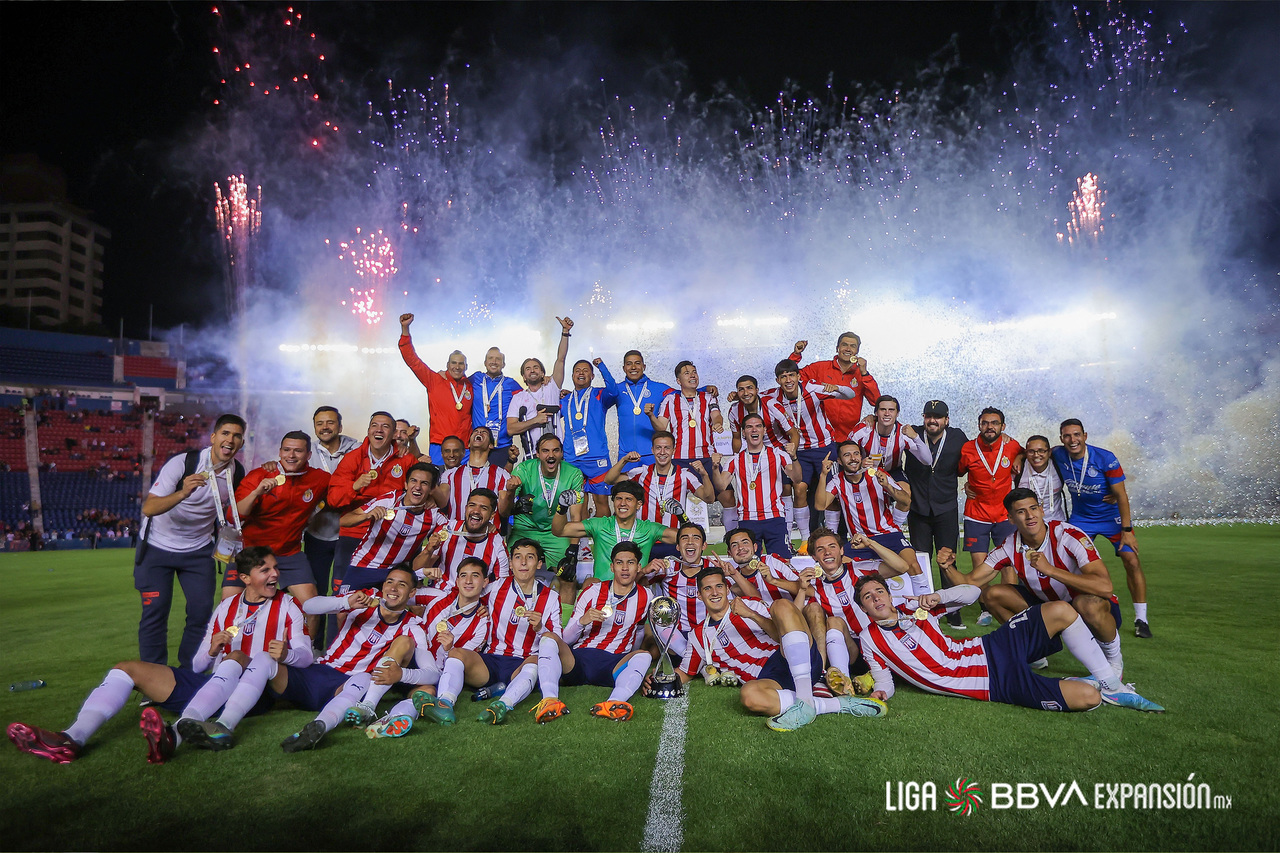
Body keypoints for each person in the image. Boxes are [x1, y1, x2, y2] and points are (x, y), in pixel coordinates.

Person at [8, 548, 309, 764]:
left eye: (275, 568)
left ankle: (175, 735)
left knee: (239, 656)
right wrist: (211, 650)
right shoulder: (226, 608)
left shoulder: (288, 605)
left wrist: (287, 654)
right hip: (212, 686)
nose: (275, 574)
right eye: (265, 570)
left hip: (252, 694)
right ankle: (72, 738)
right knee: (127, 669)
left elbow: (307, 656)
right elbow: (198, 666)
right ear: (245, 577)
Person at [853, 575, 1164, 713]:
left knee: (1060, 610)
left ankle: (1111, 683)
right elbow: (883, 678)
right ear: (864, 608)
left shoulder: (915, 606)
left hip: (990, 647)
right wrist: (882, 692)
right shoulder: (870, 638)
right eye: (868, 597)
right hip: (993, 683)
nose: (876, 598)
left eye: (879, 591)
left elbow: (973, 594)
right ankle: (1091, 684)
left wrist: (938, 596)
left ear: (888, 594)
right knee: (1088, 699)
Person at [662, 566, 887, 731]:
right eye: (707, 589)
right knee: (749, 696)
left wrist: (752, 615)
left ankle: (807, 698)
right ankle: (829, 704)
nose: (714, 592)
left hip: (789, 656)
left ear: (727, 588)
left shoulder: (749, 604)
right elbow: (686, 672)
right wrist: (658, 681)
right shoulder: (698, 635)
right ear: (700, 594)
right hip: (768, 679)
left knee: (782, 605)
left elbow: (780, 634)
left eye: (719, 586)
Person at [958, 488, 1126, 677]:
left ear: (1041, 509)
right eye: (1021, 512)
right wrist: (948, 567)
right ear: (1011, 519)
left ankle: (1114, 660)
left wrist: (1050, 570)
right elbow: (970, 582)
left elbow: (1105, 588)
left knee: (1086, 604)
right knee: (993, 594)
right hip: (1049, 609)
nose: (1030, 516)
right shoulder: (1010, 545)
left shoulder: (1069, 535)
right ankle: (1034, 651)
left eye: (1033, 508)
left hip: (1088, 608)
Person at [135, 413, 247, 668]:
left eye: (237, 436)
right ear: (213, 437)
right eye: (225, 433)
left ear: (241, 443)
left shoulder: (238, 472)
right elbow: (149, 508)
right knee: (155, 612)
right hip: (157, 546)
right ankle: (155, 676)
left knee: (201, 613)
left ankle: (190, 673)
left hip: (198, 550)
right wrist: (183, 492)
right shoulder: (183, 463)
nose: (230, 440)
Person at [276, 566, 427, 751]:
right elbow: (309, 606)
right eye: (390, 582)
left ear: (412, 592)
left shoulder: (413, 626)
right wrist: (346, 602)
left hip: (349, 686)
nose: (393, 588)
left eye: (401, 584)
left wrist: (402, 674)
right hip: (321, 671)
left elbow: (431, 672)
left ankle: (318, 726)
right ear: (383, 585)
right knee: (266, 663)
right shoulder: (363, 599)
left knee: (363, 678)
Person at [415, 539, 563, 725]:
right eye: (518, 557)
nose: (523, 563)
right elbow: (466, 594)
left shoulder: (551, 598)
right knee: (457, 653)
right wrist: (480, 607)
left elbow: (557, 641)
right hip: (490, 660)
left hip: (523, 663)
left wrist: (540, 628)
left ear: (539, 564)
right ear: (511, 563)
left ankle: (502, 705)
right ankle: (444, 703)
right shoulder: (495, 587)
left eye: (530, 557)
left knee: (534, 662)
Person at [513, 542, 655, 723]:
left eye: (631, 562)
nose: (625, 568)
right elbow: (565, 639)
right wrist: (582, 621)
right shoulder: (592, 592)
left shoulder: (646, 597)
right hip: (579, 659)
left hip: (613, 662)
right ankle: (550, 700)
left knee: (644, 655)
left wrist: (633, 666)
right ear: (612, 567)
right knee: (549, 638)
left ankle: (614, 703)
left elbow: (640, 632)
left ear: (639, 567)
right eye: (619, 563)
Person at [360, 556, 491, 737]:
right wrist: (421, 573)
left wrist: (448, 650)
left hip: (431, 674)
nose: (468, 581)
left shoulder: (482, 623)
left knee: (427, 693)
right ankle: (368, 706)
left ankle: (393, 720)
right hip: (408, 657)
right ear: (457, 579)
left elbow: (456, 667)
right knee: (403, 641)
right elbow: (400, 593)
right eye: (463, 575)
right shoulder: (438, 596)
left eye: (475, 576)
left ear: (485, 582)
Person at [223, 433, 330, 649]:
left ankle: (305, 654)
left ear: (308, 455)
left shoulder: (319, 479)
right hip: (250, 552)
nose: (291, 455)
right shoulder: (259, 476)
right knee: (228, 608)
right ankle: (227, 655)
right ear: (280, 452)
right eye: (287, 450)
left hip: (288, 553)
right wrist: (257, 492)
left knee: (312, 607)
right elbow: (232, 516)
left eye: (298, 451)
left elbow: (344, 490)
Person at [1052, 419, 1152, 638]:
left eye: (1076, 434)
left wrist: (1127, 530)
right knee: (1065, 562)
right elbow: (1036, 451)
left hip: (1111, 519)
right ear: (1061, 439)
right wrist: (1020, 457)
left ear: (1085, 436)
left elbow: (1121, 496)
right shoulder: (1057, 454)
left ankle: (1141, 620)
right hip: (1081, 519)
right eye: (1067, 436)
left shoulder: (1105, 458)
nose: (1072, 440)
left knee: (1132, 561)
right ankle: (1068, 613)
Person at [326, 412, 419, 597]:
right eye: (374, 425)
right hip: (355, 533)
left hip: (388, 537)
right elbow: (333, 500)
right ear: (368, 430)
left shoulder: (406, 460)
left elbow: (420, 489)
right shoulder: (353, 458)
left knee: (390, 597)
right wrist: (355, 486)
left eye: (385, 426)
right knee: (342, 597)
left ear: (393, 433)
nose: (379, 430)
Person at [762, 360, 859, 535]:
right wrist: (735, 395)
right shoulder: (772, 396)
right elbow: (751, 395)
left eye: (791, 375)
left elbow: (851, 394)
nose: (788, 380)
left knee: (831, 492)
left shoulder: (812, 388)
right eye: (783, 377)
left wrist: (836, 388)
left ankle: (832, 535)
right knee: (799, 489)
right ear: (777, 381)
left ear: (798, 376)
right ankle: (805, 539)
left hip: (823, 447)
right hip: (799, 451)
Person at [816, 442, 925, 592]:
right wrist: (823, 475)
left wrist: (888, 486)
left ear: (861, 457)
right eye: (847, 455)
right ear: (840, 461)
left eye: (856, 454)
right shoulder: (837, 480)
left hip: (889, 534)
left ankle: (925, 603)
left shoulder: (876, 474)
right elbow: (820, 505)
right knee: (837, 569)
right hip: (860, 540)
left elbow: (906, 501)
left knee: (913, 565)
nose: (853, 458)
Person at [903, 400, 968, 628]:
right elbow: (886, 432)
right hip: (918, 509)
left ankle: (952, 610)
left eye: (938, 417)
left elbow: (977, 452)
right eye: (929, 416)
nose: (933, 420)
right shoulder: (911, 434)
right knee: (920, 561)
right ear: (923, 418)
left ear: (946, 420)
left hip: (946, 508)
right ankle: (923, 610)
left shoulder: (958, 437)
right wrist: (872, 419)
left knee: (947, 561)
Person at [957, 407, 1024, 626]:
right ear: (979, 425)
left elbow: (1025, 451)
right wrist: (966, 485)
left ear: (1002, 426)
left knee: (1008, 564)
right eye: (985, 423)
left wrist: (1020, 457)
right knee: (980, 566)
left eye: (994, 423)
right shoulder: (967, 448)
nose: (989, 427)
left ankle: (1010, 608)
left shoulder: (1012, 445)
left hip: (1005, 515)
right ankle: (985, 609)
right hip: (976, 514)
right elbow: (958, 471)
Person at [301, 406, 360, 648]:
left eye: (330, 422)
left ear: (340, 426)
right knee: (315, 593)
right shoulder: (307, 453)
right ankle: (314, 648)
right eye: (320, 423)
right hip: (317, 533)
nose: (325, 427)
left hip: (349, 534)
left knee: (343, 594)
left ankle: (339, 648)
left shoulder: (357, 450)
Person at [336, 462, 440, 594]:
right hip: (364, 566)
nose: (417, 487)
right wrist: (366, 516)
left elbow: (454, 528)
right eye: (413, 481)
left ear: (431, 489)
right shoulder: (389, 501)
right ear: (406, 484)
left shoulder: (434, 515)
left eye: (424, 483)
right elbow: (343, 520)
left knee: (409, 602)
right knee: (345, 607)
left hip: (396, 573)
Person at [603, 435, 713, 558]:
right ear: (652, 450)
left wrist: (704, 475)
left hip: (672, 539)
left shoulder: (684, 475)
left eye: (667, 448)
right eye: (658, 448)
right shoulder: (641, 472)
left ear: (673, 450)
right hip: (644, 540)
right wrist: (624, 460)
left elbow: (709, 498)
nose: (662, 452)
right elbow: (609, 480)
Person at [712, 413, 801, 556]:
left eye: (758, 426)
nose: (754, 430)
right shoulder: (735, 459)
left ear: (764, 430)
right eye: (749, 427)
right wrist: (715, 468)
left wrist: (794, 458)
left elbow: (797, 478)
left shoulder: (779, 454)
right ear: (743, 432)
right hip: (748, 520)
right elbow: (721, 486)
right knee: (750, 564)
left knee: (782, 562)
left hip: (775, 518)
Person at [504, 434, 587, 585]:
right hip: (525, 528)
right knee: (507, 571)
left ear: (562, 453)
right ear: (537, 454)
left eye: (555, 450)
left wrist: (573, 548)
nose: (551, 455)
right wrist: (513, 500)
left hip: (555, 531)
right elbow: (504, 510)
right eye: (545, 451)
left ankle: (560, 601)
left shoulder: (574, 474)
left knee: (567, 577)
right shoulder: (524, 469)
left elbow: (576, 517)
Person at [551, 480, 675, 581]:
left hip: (635, 589)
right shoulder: (600, 525)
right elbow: (559, 531)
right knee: (590, 583)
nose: (622, 503)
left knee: (644, 583)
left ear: (639, 504)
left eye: (628, 499)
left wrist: (681, 517)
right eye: (618, 498)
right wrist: (562, 507)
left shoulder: (649, 529)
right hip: (603, 592)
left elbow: (683, 538)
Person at [398, 313, 473, 465]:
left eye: (461, 364)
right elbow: (413, 361)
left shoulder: (472, 385)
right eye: (454, 363)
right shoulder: (434, 380)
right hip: (440, 445)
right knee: (440, 478)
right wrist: (405, 329)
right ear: (447, 365)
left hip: (465, 448)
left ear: (466, 366)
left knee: (464, 480)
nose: (457, 367)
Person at [787, 333, 880, 438]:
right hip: (821, 437)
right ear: (837, 348)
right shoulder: (820, 368)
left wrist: (864, 373)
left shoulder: (862, 374)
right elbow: (789, 378)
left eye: (853, 346)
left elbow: (876, 401)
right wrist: (796, 355)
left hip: (849, 437)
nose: (848, 349)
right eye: (844, 345)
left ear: (857, 351)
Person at [560, 357, 620, 518]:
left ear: (592, 376)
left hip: (596, 458)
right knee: (578, 502)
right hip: (572, 459)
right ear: (572, 376)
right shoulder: (565, 400)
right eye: (577, 371)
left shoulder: (599, 394)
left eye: (585, 370)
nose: (581, 373)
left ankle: (602, 534)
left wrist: (602, 366)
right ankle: (583, 535)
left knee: (601, 500)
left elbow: (614, 391)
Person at [507, 316, 574, 455]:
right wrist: (535, 421)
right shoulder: (518, 398)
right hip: (532, 455)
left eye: (536, 367)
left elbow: (561, 359)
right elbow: (511, 429)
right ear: (524, 376)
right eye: (528, 368)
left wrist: (565, 332)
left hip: (556, 453)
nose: (532, 370)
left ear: (543, 373)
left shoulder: (552, 387)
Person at [422, 488, 510, 588]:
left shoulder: (497, 543)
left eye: (483, 508)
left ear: (492, 515)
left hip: (476, 597)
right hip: (441, 594)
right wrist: (428, 551)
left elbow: (503, 585)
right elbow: (416, 571)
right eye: (472, 505)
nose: (476, 511)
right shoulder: (446, 530)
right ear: (466, 508)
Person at [614, 350, 682, 466]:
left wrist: (704, 390)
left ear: (644, 366)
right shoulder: (617, 390)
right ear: (624, 368)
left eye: (637, 363)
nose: (633, 367)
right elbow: (596, 400)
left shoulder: (659, 388)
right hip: (626, 455)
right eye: (629, 364)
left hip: (652, 454)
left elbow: (683, 394)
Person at [433, 427, 512, 523]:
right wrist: (430, 485)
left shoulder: (502, 474)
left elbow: (504, 512)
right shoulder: (450, 474)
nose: (479, 433)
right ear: (469, 444)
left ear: (491, 445)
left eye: (484, 432)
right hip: (456, 531)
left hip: (487, 531)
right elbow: (442, 501)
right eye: (476, 431)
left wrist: (511, 492)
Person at [470, 346, 524, 468]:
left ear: (503, 364)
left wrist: (544, 381)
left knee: (501, 480)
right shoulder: (475, 379)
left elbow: (530, 397)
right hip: (478, 446)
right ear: (485, 362)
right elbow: (457, 383)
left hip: (503, 446)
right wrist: (443, 374)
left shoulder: (511, 384)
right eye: (490, 358)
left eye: (498, 359)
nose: (494, 362)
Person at [1017, 435, 1067, 523]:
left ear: (1049, 452)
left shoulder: (1059, 465)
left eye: (1041, 451)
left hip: (1057, 522)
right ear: (1026, 453)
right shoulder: (1018, 468)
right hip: (1029, 523)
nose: (1036, 455)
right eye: (1031, 451)